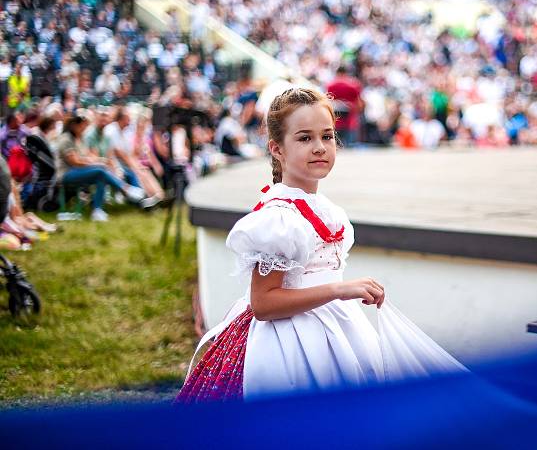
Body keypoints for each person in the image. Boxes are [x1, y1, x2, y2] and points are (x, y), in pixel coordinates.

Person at [176, 88, 465, 404]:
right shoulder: (279, 219)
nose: (319, 148)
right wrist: (339, 290)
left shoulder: (318, 206)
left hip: (334, 332)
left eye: (327, 137)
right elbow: (263, 304)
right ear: (277, 149)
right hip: (287, 348)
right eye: (304, 138)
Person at [55, 114, 146, 222]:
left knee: (101, 175)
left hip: (77, 172)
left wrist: (99, 161)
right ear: (74, 125)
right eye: (82, 126)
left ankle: (97, 211)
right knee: (100, 171)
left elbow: (87, 157)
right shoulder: (66, 139)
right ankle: (125, 189)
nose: (84, 128)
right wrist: (97, 163)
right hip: (66, 174)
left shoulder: (79, 138)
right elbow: (75, 162)